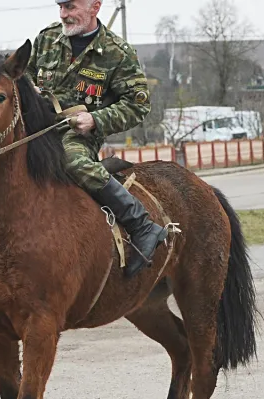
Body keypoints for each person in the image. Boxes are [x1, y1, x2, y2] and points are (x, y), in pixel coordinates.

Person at [24, 0, 167, 277]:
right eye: (61, 8)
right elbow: (23, 80)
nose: (64, 14)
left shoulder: (118, 53)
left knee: (72, 162)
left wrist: (96, 120)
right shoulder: (47, 39)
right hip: (36, 128)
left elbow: (137, 106)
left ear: (95, 7)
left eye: (71, 7)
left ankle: (142, 225)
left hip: (77, 134)